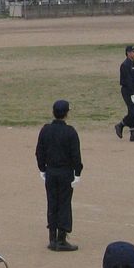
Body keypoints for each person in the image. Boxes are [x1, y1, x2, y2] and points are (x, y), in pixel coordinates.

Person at [36, 99, 83, 252]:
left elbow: (39, 151)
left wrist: (42, 168)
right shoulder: (70, 132)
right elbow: (76, 155)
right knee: (64, 203)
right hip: (65, 173)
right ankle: (61, 239)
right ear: (66, 114)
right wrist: (77, 173)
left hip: (50, 172)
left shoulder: (45, 130)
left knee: (52, 202)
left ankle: (52, 237)